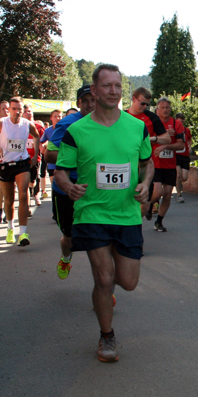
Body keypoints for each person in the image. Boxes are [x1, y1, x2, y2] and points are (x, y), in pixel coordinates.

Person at [53, 64, 153, 362]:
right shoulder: (76, 131)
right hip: (91, 213)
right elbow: (60, 171)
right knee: (105, 278)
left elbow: (147, 163)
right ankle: (107, 337)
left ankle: (103, 292)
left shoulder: (137, 127)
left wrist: (146, 184)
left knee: (128, 282)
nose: (113, 91)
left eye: (118, 85)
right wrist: (69, 187)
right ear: (94, 91)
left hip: (127, 215)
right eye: (107, 85)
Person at [45, 87, 98, 279]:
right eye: (85, 101)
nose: (90, 105)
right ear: (78, 103)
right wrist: (80, 157)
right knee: (69, 238)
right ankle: (66, 259)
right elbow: (49, 154)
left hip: (93, 186)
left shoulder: (105, 123)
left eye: (93, 100)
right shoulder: (67, 123)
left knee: (97, 238)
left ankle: (103, 285)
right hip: (66, 186)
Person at [0, 98, 41, 245]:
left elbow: (36, 135)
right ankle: (10, 228)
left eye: (19, 109)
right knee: (9, 199)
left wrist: (35, 154)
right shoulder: (1, 123)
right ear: (9, 109)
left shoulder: (27, 124)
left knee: (23, 195)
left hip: (22, 163)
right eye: (14, 109)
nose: (17, 112)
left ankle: (23, 233)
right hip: (5, 164)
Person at [126, 88, 170, 223]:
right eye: (142, 103)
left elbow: (167, 139)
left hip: (145, 165)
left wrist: (152, 139)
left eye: (147, 104)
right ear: (134, 99)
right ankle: (129, 227)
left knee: (144, 206)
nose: (145, 106)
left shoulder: (151, 118)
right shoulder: (121, 116)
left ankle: (135, 222)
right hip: (126, 165)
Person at [151, 97, 186, 232]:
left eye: (167, 107)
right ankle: (149, 205)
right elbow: (145, 140)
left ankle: (159, 221)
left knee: (167, 194)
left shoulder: (176, 124)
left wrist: (166, 146)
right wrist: (161, 139)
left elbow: (181, 145)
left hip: (170, 165)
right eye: (162, 107)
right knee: (157, 192)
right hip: (155, 163)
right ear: (157, 109)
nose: (165, 110)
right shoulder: (152, 123)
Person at [174, 112, 192, 203]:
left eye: (181, 122)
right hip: (176, 155)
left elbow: (190, 139)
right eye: (178, 122)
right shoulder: (173, 131)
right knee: (178, 175)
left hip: (185, 155)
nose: (180, 124)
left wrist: (189, 146)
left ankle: (178, 184)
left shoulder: (186, 130)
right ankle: (179, 195)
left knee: (184, 177)